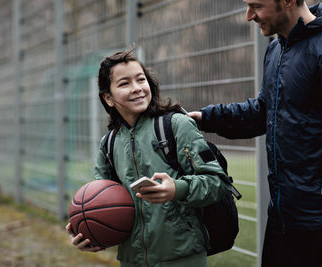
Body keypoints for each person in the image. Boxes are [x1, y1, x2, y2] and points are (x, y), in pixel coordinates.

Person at [189, 0, 322, 266]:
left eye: (256, 6)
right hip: (281, 218)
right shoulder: (277, 47)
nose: (248, 16)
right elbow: (264, 112)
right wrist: (206, 118)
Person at [65, 49, 230, 267]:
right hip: (131, 260)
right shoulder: (109, 143)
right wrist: (89, 231)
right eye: (124, 84)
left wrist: (176, 189)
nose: (137, 88)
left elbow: (217, 182)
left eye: (140, 79)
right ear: (108, 98)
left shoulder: (176, 125)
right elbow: (101, 202)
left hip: (183, 257)